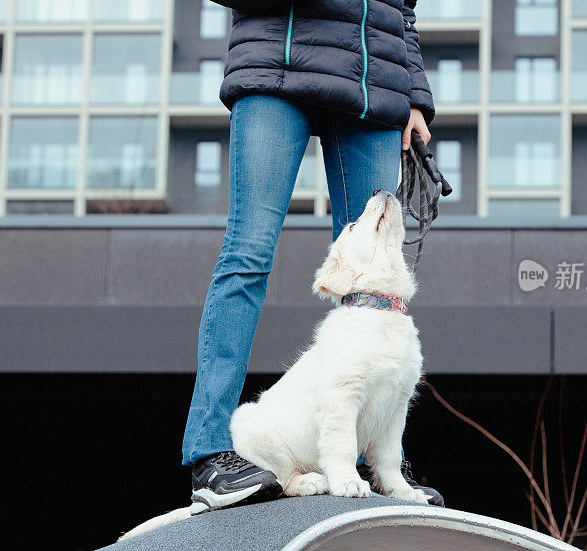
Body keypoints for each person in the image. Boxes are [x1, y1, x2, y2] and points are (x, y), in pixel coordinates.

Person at [182, 0, 444, 513]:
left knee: (373, 286)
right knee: (247, 257)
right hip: (277, 68)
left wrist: (414, 96)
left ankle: (378, 467)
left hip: (374, 88)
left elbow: (402, 13)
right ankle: (210, 451)